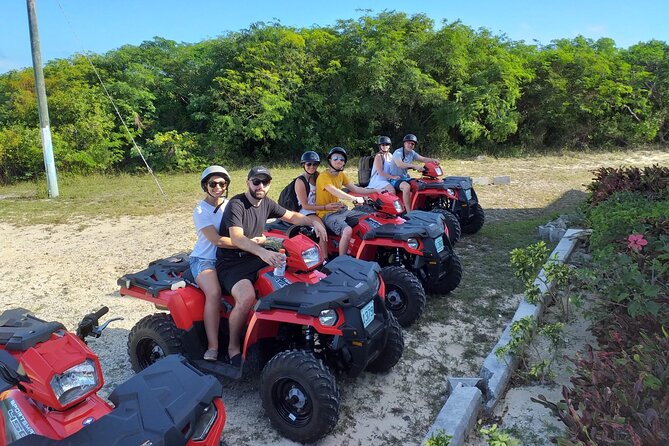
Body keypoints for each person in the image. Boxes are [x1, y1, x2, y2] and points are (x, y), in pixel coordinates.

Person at [216, 166, 328, 368]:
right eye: (256, 182)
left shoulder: (266, 203)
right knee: (246, 296)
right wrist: (264, 252)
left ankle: (285, 331)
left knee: (289, 281)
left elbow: (292, 216)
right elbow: (237, 238)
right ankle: (233, 346)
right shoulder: (236, 204)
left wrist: (314, 222)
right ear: (247, 183)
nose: (260, 186)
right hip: (232, 263)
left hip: (255, 256)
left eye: (265, 182)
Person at [190, 165, 236, 361]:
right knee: (214, 293)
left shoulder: (231, 205)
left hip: (228, 258)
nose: (218, 187)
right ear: (205, 186)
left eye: (222, 183)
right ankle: (213, 346)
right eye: (213, 183)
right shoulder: (201, 210)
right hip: (204, 260)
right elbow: (216, 240)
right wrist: (248, 243)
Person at [315, 147, 385, 257]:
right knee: (347, 230)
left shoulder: (341, 175)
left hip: (341, 210)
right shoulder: (323, 176)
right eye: (336, 158)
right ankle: (342, 260)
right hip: (327, 214)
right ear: (330, 160)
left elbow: (356, 189)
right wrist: (353, 199)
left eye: (342, 159)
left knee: (370, 218)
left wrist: (375, 191)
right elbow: (335, 191)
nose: (339, 161)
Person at [294, 151, 337, 256]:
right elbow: (305, 205)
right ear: (303, 165)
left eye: (315, 164)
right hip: (307, 211)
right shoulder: (300, 181)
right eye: (309, 164)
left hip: (319, 208)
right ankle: (325, 260)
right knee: (321, 230)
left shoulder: (318, 176)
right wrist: (325, 207)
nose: (312, 167)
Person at [387, 133, 440, 207]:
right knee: (406, 187)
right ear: (404, 143)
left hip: (405, 177)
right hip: (394, 178)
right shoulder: (398, 152)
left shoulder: (412, 153)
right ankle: (408, 212)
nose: (410, 145)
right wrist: (414, 166)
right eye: (408, 143)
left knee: (420, 184)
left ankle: (419, 206)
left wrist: (433, 160)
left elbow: (423, 159)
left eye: (413, 144)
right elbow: (400, 164)